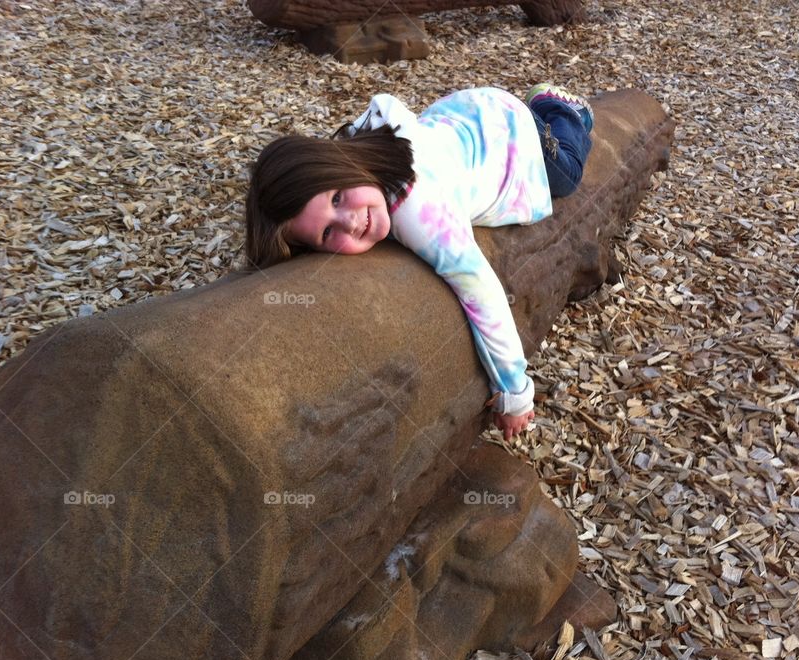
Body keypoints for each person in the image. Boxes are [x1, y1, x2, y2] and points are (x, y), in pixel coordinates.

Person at [245, 83, 594, 440]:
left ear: (340, 164)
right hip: (468, 112)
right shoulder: (366, 142)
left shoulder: (419, 211)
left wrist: (515, 394)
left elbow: (481, 291)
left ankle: (561, 109)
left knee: (568, 173)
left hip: (516, 134)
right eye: (327, 234)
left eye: (337, 198)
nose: (350, 221)